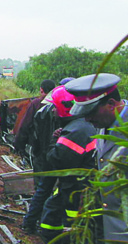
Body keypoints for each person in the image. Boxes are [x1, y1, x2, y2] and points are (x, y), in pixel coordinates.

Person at [65, 73, 128, 242]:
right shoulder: (104, 124)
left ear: (111, 104)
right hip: (114, 230)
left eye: (91, 112)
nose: (87, 119)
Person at [37, 85, 98, 242]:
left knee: (66, 226)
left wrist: (53, 141)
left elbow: (56, 160)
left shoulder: (74, 132)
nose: (53, 111)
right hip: (76, 188)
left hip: (75, 191)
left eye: (55, 107)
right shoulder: (80, 126)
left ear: (64, 108)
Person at [18, 85, 76, 235]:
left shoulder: (41, 110)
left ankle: (31, 223)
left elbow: (28, 129)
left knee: (42, 189)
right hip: (55, 156)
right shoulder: (76, 123)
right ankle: (50, 225)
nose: (54, 111)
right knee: (51, 191)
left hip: (45, 156)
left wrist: (22, 146)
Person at [13, 78, 56, 182]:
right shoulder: (58, 104)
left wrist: (19, 145)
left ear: (41, 90)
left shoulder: (36, 104)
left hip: (38, 147)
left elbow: (25, 125)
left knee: (40, 179)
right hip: (55, 147)